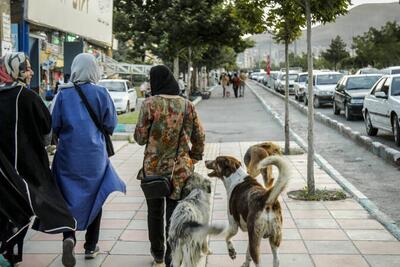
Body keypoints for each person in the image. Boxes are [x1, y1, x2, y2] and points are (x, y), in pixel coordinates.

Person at [0, 52, 76, 266]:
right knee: (52, 204)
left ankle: (9, 253)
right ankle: (68, 235)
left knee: (12, 211)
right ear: (16, 72)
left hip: (4, 171)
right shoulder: (28, 96)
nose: (31, 72)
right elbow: (46, 130)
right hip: (32, 166)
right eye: (26, 68)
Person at [51, 53, 126, 267]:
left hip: (68, 155)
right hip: (94, 157)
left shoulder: (63, 94)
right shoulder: (101, 93)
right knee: (96, 195)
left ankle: (69, 238)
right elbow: (111, 124)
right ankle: (91, 247)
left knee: (67, 198)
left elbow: (54, 124)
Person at [134, 65, 205, 267]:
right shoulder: (187, 105)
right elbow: (199, 136)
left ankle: (158, 255)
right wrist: (193, 157)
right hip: (180, 171)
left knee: (154, 213)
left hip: (153, 169)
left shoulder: (149, 104)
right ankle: (172, 259)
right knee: (175, 216)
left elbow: (139, 138)